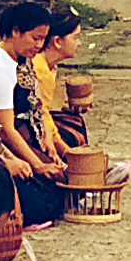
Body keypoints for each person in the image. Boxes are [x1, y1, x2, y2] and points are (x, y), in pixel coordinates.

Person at [0, 1, 65, 227]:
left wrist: (49, 143)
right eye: (35, 38)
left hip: (32, 137)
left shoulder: (23, 60)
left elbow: (36, 106)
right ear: (15, 32)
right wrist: (38, 165)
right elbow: (5, 129)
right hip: (6, 145)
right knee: (44, 203)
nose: (39, 45)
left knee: (64, 183)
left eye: (42, 39)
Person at [34, 12, 83, 157]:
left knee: (76, 120)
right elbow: (41, 114)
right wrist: (63, 148)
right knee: (73, 134)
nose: (78, 43)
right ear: (57, 41)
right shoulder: (40, 69)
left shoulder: (50, 66)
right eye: (75, 37)